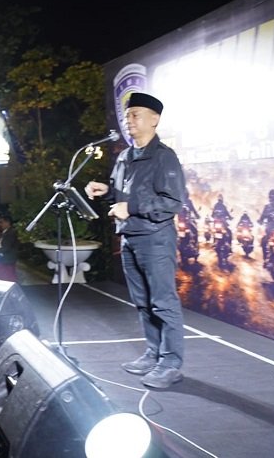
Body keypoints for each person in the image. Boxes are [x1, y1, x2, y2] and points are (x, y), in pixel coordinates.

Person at [85, 92, 187, 389]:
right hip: (129, 238)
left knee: (163, 302)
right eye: (128, 115)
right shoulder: (124, 157)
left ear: (154, 120)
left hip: (155, 239)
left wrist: (131, 208)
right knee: (143, 303)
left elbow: (173, 201)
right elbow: (122, 194)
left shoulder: (164, 157)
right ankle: (153, 353)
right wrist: (105, 190)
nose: (129, 120)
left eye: (136, 115)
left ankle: (171, 363)